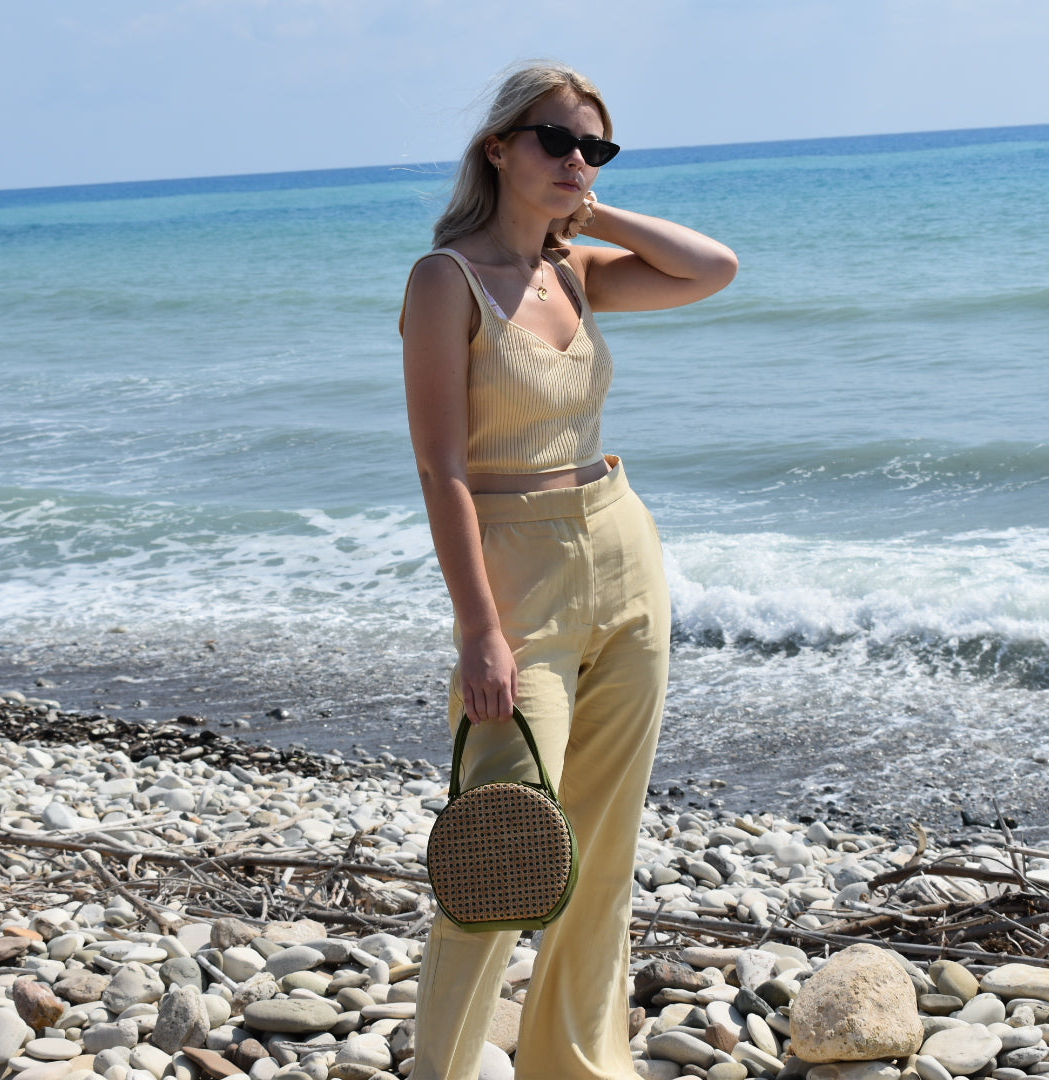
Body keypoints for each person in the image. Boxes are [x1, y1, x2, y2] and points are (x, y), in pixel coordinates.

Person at [399, 61, 738, 1080]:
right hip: (516, 576)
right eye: (554, 140)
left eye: (595, 145)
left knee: (605, 851)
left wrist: (594, 207)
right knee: (498, 856)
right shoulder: (443, 281)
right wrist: (479, 632)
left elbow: (713, 266)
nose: (574, 160)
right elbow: (441, 468)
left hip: (623, 552)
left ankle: (578, 1066)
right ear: (497, 146)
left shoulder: (577, 272)